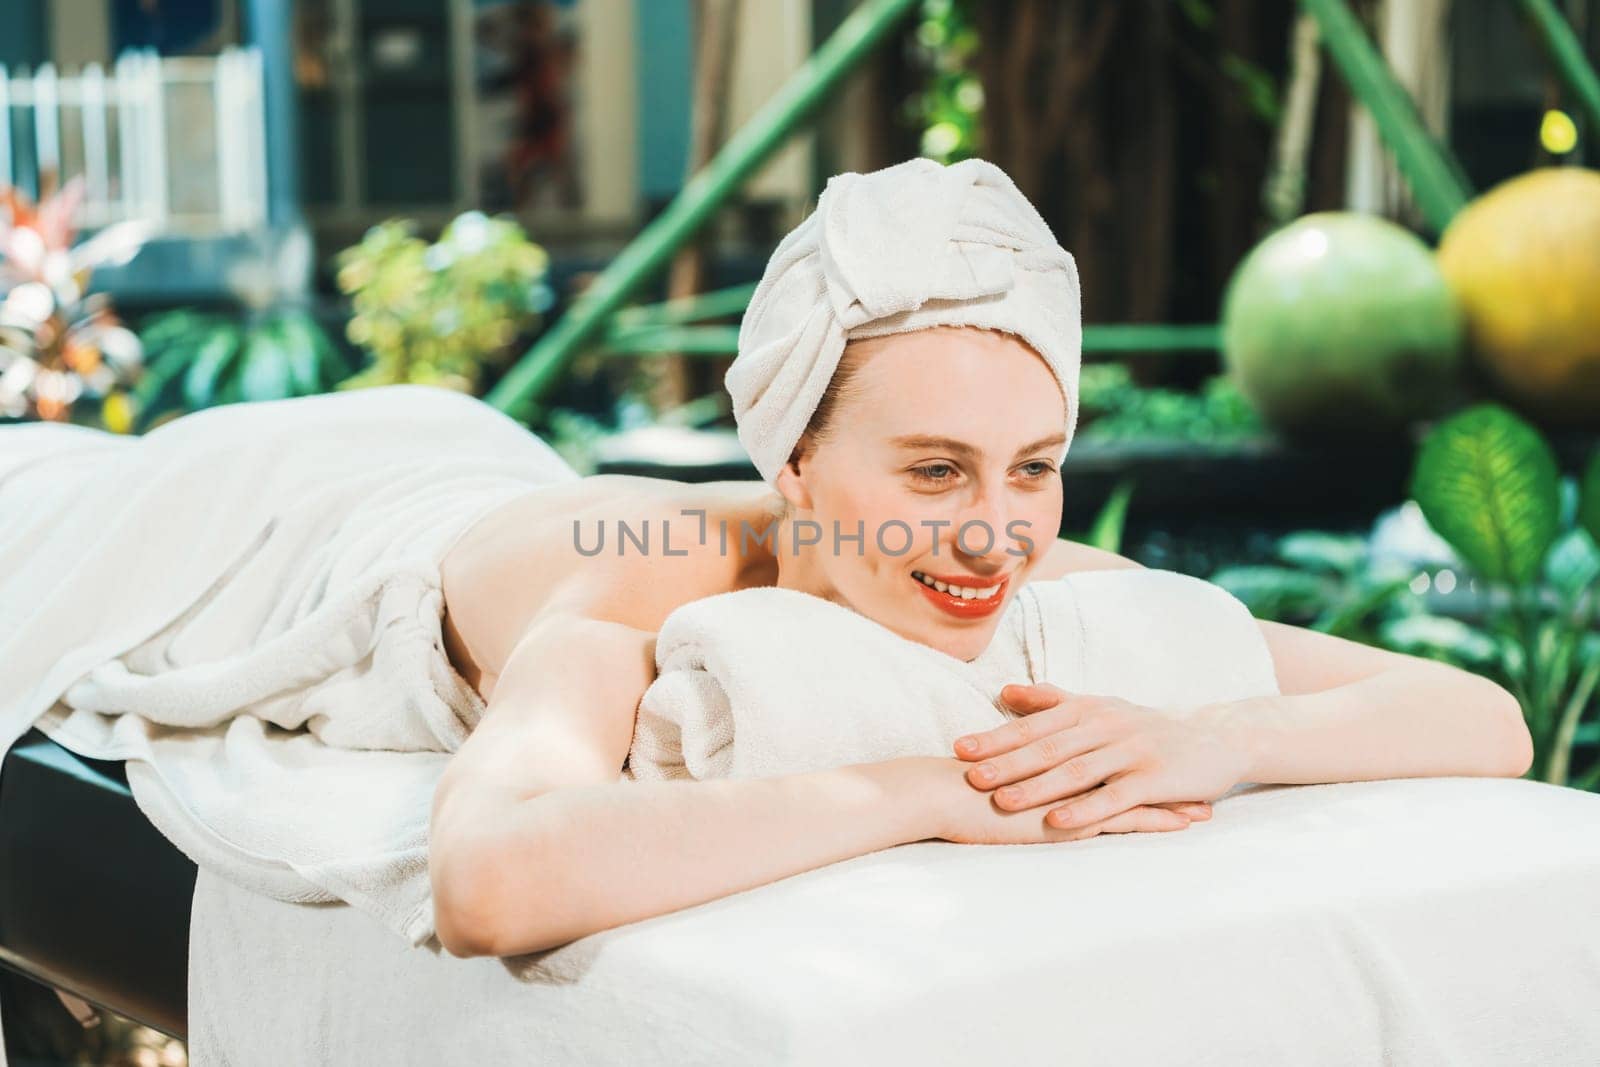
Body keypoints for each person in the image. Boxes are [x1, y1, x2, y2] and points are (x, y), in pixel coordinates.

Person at [427, 158, 1533, 960]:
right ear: (795, 461)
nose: (994, 532)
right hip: (361, 516)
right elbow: (486, 882)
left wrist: (1214, 737)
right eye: (934, 471)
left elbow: (1484, 716)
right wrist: (922, 790)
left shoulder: (1039, 564)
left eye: (1033, 465)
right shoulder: (645, 579)